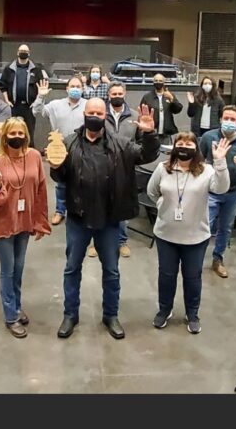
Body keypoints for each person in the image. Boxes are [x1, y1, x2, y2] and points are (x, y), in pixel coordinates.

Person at [48, 100, 159, 340]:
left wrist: (149, 134)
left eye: (99, 113)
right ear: (84, 115)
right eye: (91, 113)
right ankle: (70, 315)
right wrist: (55, 166)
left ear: (105, 115)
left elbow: (146, 155)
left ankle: (111, 315)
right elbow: (60, 175)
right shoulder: (69, 143)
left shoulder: (120, 144)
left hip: (110, 219)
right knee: (71, 268)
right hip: (78, 218)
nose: (95, 116)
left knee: (111, 271)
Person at [147, 132, 231, 333]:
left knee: (192, 277)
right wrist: (162, 205)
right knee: (166, 275)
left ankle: (192, 313)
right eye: (180, 143)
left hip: (195, 236)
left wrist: (221, 162)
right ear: (174, 147)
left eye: (189, 144)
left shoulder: (207, 171)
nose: (184, 147)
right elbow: (151, 191)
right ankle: (164, 310)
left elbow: (221, 189)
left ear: (196, 148)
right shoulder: (163, 169)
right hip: (166, 234)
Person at [0, 117, 51, 338]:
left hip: (25, 222)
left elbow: (41, 189)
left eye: (21, 134)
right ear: (5, 137)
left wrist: (40, 221)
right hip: (3, 223)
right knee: (8, 270)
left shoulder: (34, 157)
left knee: (19, 269)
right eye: (12, 134)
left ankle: (16, 306)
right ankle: (10, 316)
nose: (17, 137)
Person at [198, 106, 236, 278]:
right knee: (204, 226)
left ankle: (218, 259)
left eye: (232, 119)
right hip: (211, 192)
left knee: (225, 228)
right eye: (226, 118)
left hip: (233, 192)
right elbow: (198, 161)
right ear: (221, 119)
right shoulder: (209, 137)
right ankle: (196, 259)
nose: (229, 122)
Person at [33, 75, 88, 226]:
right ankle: (60, 211)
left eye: (78, 87)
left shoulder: (88, 105)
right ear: (67, 88)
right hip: (60, 149)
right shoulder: (55, 105)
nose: (75, 89)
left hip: (82, 149)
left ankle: (80, 210)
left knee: (82, 180)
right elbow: (36, 111)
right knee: (61, 182)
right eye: (73, 86)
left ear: (83, 89)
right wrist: (40, 96)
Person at [103, 81, 138, 259]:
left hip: (125, 168)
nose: (117, 96)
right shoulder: (100, 115)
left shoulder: (135, 116)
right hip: (102, 167)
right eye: (113, 94)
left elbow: (139, 143)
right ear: (108, 95)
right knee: (100, 205)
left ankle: (122, 241)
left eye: (119, 93)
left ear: (125, 94)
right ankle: (97, 241)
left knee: (122, 206)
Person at [0, 44, 47, 143]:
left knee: (29, 133)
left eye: (25, 51)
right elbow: (2, 85)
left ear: (29, 54)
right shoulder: (9, 68)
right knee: (12, 131)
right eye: (21, 50)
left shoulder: (36, 69)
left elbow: (42, 87)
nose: (23, 52)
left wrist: (36, 102)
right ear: (17, 52)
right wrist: (7, 100)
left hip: (29, 107)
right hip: (13, 106)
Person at [140, 73, 184, 145]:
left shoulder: (170, 95)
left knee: (166, 153)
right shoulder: (147, 97)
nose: (158, 82)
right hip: (152, 133)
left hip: (166, 133)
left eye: (160, 81)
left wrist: (172, 99)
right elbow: (141, 113)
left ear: (164, 82)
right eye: (156, 80)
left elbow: (177, 110)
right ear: (153, 82)